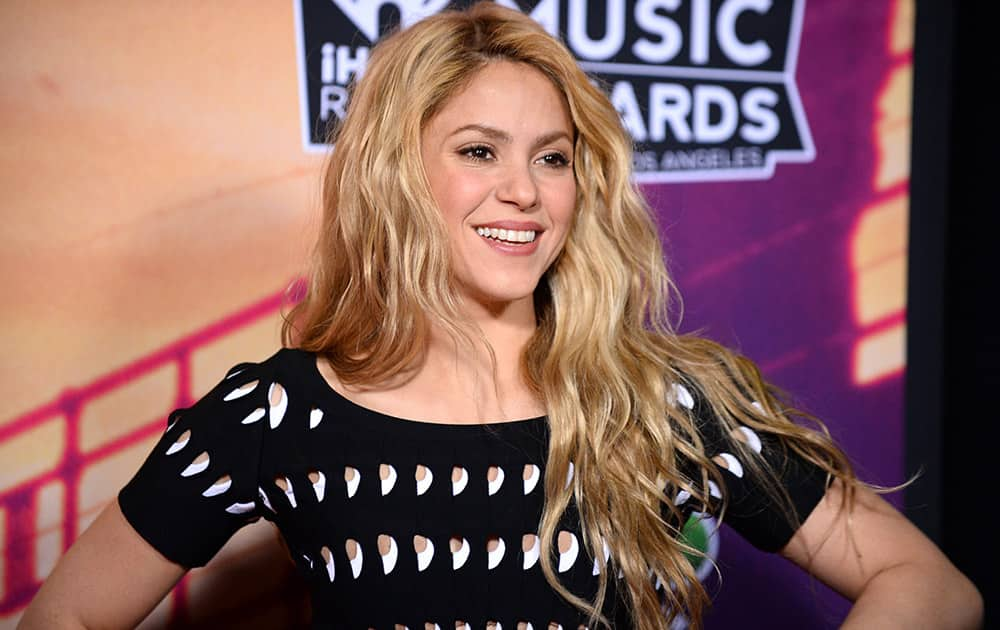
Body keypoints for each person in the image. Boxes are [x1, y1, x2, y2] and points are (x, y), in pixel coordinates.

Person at [19, 3, 982, 629]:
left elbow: (930, 586)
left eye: (553, 157)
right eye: (479, 151)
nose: (524, 191)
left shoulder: (666, 400)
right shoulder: (277, 417)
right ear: (400, 175)